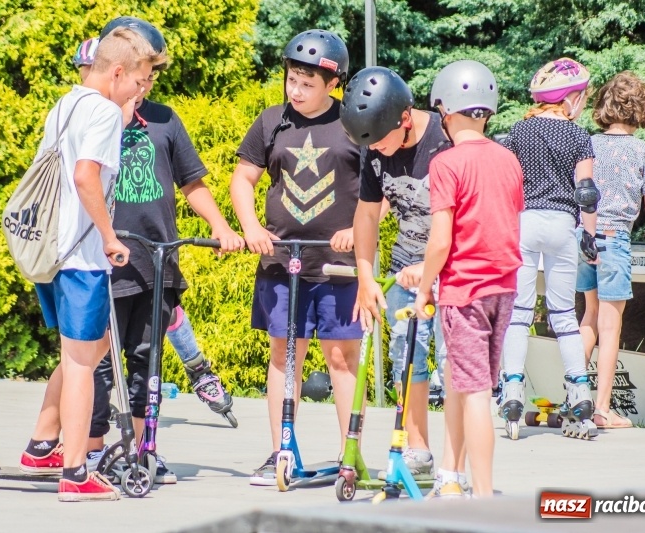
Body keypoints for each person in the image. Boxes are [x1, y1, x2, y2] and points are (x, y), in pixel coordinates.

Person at [83, 19, 244, 484]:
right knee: (96, 364)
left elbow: (192, 182)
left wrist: (220, 226)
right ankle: (92, 452)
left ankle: (136, 450)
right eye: (142, 71)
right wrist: (118, 111)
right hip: (107, 255)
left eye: (152, 73)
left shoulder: (165, 118)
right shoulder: (95, 116)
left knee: (144, 360)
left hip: (157, 260)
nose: (147, 81)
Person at [18, 27, 165, 502]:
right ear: (118, 72)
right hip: (82, 257)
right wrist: (109, 237)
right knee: (84, 364)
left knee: (89, 348)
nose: (142, 90)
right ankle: (76, 473)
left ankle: (43, 444)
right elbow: (86, 177)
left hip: (50, 252)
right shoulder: (102, 111)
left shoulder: (67, 104)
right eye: (140, 80)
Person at [229, 29, 361, 486]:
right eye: (291, 80)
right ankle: (281, 450)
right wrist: (250, 227)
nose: (296, 91)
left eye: (307, 84)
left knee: (342, 358)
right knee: (285, 355)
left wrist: (355, 229)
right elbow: (242, 180)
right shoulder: (272, 122)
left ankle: (351, 453)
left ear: (333, 84)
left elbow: (375, 193)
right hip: (282, 262)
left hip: (338, 265)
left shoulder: (353, 123)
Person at [339, 66, 459, 484]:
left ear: (404, 119)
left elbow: (465, 219)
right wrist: (365, 277)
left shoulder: (446, 142)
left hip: (453, 263)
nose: (378, 152)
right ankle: (419, 448)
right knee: (407, 355)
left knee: (451, 358)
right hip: (404, 262)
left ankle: (454, 463)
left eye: (381, 142)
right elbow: (367, 215)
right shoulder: (374, 146)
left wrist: (429, 269)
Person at [414, 59, 523, 498]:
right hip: (504, 287)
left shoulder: (446, 163)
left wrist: (424, 285)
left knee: (475, 391)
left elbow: (441, 241)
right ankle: (451, 475)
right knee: (465, 380)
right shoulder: (509, 159)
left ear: (447, 111)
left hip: (465, 291)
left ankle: (483, 495)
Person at [498, 57, 599, 441]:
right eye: (582, 95)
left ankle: (511, 390)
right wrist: (590, 238)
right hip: (561, 224)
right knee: (563, 315)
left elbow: (508, 184)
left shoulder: (518, 132)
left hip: (523, 223)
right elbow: (586, 193)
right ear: (569, 98)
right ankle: (579, 393)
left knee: (519, 313)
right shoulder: (578, 137)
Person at [578, 72, 645, 429]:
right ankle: (601, 409)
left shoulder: (589, 144)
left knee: (588, 317)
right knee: (610, 327)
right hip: (615, 239)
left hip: (583, 237)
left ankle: (570, 398)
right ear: (641, 108)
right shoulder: (641, 149)